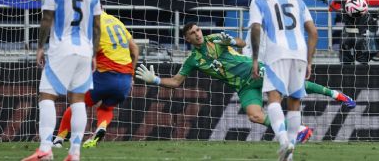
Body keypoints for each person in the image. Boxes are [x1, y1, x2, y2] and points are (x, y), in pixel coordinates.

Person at [136, 23, 352, 145]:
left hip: (255, 71)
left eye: (198, 30)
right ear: (188, 39)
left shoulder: (214, 39)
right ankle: (298, 131)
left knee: (291, 87)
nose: (197, 34)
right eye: (192, 33)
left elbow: (241, 43)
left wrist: (230, 40)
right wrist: (154, 80)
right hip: (244, 86)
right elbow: (175, 81)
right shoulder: (193, 60)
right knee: (255, 115)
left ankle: (336, 94)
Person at [22, 0, 102, 161]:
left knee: (47, 96)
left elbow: (47, 19)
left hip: (62, 49)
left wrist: (40, 47)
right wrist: (94, 54)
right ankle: (74, 153)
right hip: (85, 51)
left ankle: (45, 149)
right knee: (78, 101)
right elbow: (96, 26)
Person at [249, 0, 318, 161]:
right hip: (299, 52)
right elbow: (313, 32)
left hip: (276, 51)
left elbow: (255, 28)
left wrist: (255, 58)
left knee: (274, 99)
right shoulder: (297, 0)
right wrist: (309, 61)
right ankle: (290, 155)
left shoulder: (259, 0)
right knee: (294, 103)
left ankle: (283, 142)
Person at [52, 11, 139, 148]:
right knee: (106, 107)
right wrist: (131, 75)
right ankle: (101, 128)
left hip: (105, 75)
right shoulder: (116, 21)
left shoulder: (90, 23)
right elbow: (134, 49)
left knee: (77, 103)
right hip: (125, 80)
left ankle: (59, 140)